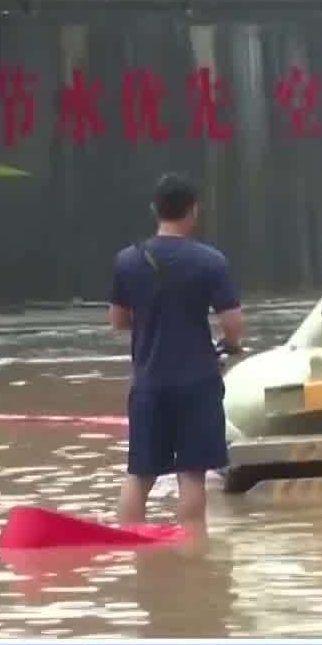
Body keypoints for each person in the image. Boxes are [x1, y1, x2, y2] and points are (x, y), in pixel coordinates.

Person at [108, 173, 245, 531]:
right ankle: (189, 554)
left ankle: (130, 551)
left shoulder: (127, 260)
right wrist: (230, 346)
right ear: (194, 210)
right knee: (192, 476)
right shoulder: (210, 261)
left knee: (140, 475)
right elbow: (233, 323)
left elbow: (118, 321)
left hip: (148, 383)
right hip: (197, 382)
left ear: (155, 209)